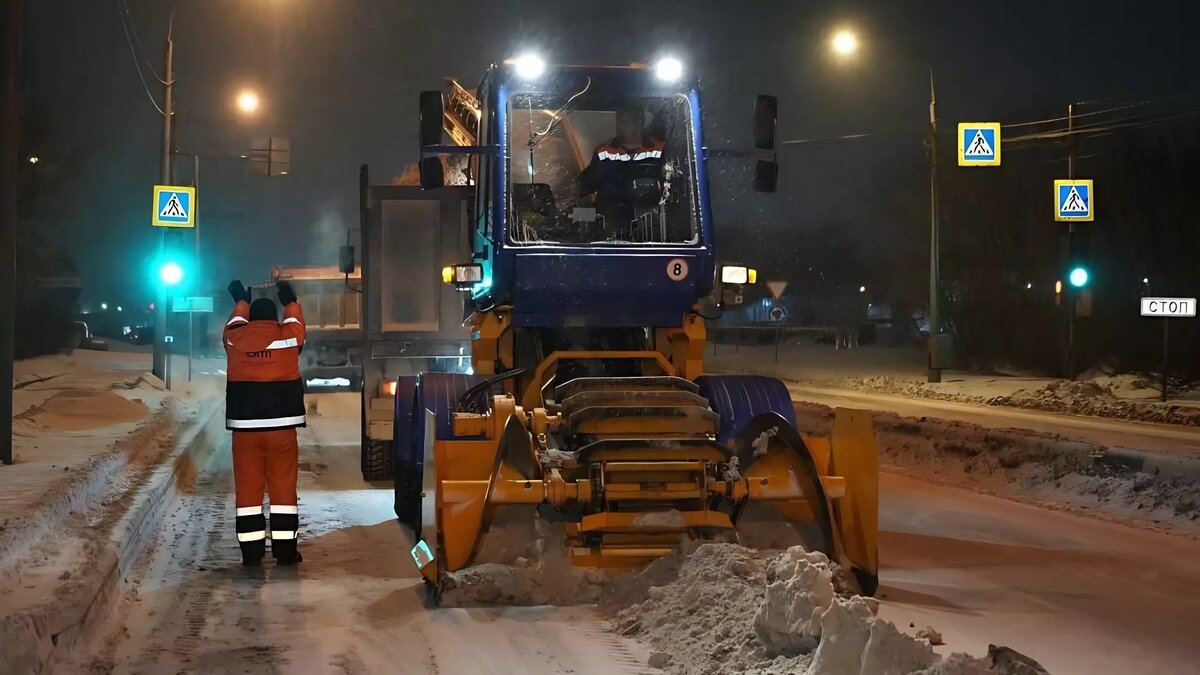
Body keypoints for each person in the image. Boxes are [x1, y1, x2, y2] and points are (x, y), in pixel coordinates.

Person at [223, 279, 307, 566]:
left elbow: (234, 322)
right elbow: (296, 321)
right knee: (283, 490)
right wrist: (290, 300)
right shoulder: (289, 338)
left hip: (245, 431)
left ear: (250, 318)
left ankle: (251, 552)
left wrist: (240, 301)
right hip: (281, 429)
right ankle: (285, 553)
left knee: (248, 491)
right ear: (275, 318)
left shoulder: (234, 339)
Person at [576, 104, 665, 237]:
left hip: (651, 230)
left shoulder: (659, 149)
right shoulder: (603, 152)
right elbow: (583, 187)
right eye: (618, 121)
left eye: (624, 121)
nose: (618, 125)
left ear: (638, 123)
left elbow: (669, 184)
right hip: (610, 231)